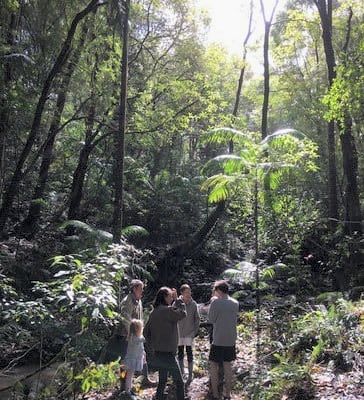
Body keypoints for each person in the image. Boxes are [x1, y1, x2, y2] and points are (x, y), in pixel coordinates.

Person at [144, 286, 189, 400]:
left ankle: (159, 398)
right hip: (168, 353)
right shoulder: (167, 311)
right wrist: (178, 300)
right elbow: (183, 313)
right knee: (179, 381)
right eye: (170, 296)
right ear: (164, 297)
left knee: (162, 381)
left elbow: (145, 332)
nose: (171, 298)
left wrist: (152, 346)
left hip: (158, 352)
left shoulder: (154, 312)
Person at [208, 280, 239, 400]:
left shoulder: (216, 303)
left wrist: (212, 304)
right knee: (227, 365)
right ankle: (228, 393)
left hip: (218, 338)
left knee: (213, 364)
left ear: (219, 290)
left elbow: (211, 320)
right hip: (231, 338)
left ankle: (216, 394)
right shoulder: (235, 302)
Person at [177, 284, 200, 385]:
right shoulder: (177, 303)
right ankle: (181, 373)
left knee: (190, 354)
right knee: (180, 353)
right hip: (179, 333)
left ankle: (190, 375)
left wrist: (195, 332)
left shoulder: (193, 304)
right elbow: (172, 315)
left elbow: (197, 319)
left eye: (190, 291)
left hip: (189, 333)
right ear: (181, 293)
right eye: (186, 292)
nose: (189, 294)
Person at [123, 319, 146, 397]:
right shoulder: (134, 338)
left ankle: (129, 389)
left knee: (131, 375)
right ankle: (127, 391)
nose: (142, 328)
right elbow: (141, 340)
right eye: (141, 327)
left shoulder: (136, 337)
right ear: (137, 329)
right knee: (129, 375)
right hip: (131, 360)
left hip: (134, 359)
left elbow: (141, 348)